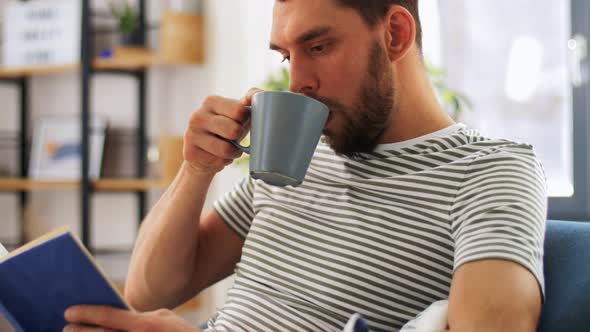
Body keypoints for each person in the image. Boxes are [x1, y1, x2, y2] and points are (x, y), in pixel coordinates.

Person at [64, 0, 547, 331]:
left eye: (317, 47)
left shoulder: (491, 173)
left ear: (396, 35)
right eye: (287, 55)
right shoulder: (297, 158)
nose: (298, 82)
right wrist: (195, 170)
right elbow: (151, 292)